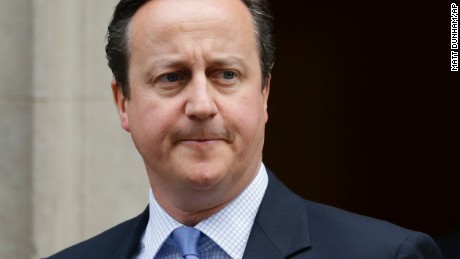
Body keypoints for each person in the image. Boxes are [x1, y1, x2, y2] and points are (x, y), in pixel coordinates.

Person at [47, 0, 444, 258]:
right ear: (123, 103)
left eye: (226, 74)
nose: (201, 105)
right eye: (171, 77)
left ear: (264, 93)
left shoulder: (385, 255)